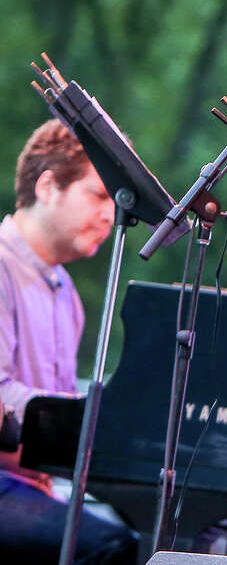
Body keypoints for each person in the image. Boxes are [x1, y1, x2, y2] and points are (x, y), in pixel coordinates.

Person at [0, 119, 138, 564]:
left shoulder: (67, 294)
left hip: (30, 485)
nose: (110, 215)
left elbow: (56, 404)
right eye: (98, 196)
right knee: (110, 546)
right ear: (47, 187)